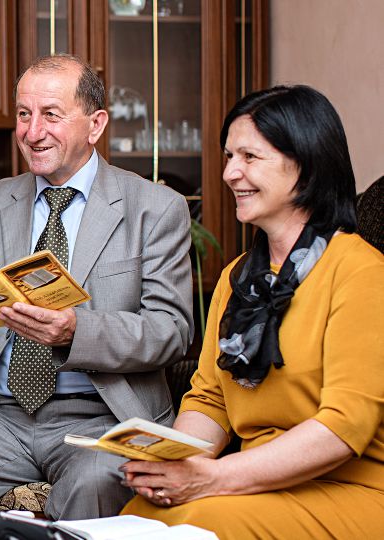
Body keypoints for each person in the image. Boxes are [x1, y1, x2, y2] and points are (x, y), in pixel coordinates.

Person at [0, 54, 194, 522]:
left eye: (51, 114)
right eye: (24, 114)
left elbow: (172, 332)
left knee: (93, 483)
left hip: (101, 414)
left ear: (96, 123)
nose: (32, 131)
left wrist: (74, 332)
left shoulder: (155, 208)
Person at [120, 85, 384, 538]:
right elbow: (210, 400)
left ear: (305, 164)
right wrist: (173, 463)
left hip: (351, 487)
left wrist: (213, 479)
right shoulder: (236, 277)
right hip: (259, 483)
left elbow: (344, 427)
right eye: (228, 157)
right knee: (136, 516)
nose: (229, 173)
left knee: (196, 524)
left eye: (249, 157)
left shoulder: (361, 271)